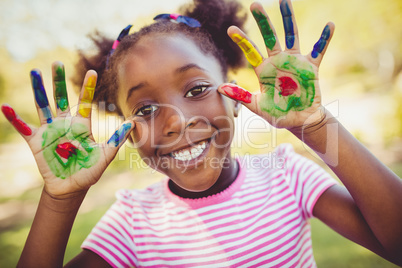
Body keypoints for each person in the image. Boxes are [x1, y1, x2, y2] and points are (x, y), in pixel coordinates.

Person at [2, 0, 402, 267]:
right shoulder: (132, 224)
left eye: (196, 90)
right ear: (126, 127)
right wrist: (61, 200)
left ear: (233, 94)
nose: (175, 122)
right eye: (144, 110)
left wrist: (316, 125)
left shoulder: (287, 176)